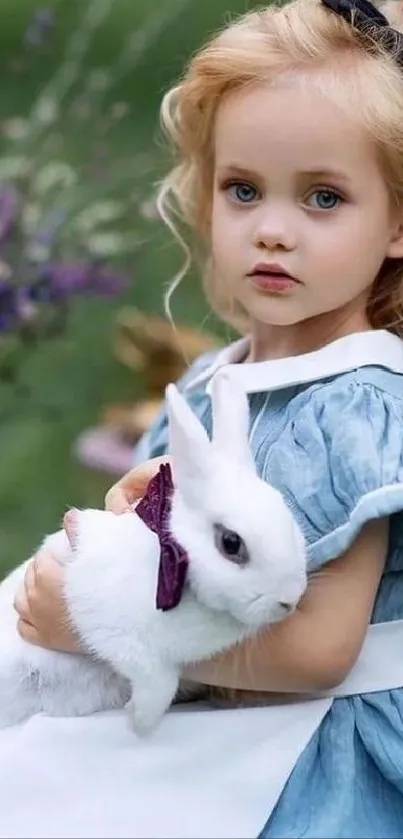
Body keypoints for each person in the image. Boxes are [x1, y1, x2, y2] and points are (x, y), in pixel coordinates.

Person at [6, 0, 403, 835]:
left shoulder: (359, 401)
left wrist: (95, 625)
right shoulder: (217, 378)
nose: (271, 230)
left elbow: (322, 650)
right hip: (213, 709)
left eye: (323, 198)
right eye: (243, 189)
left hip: (307, 745)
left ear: (396, 221)